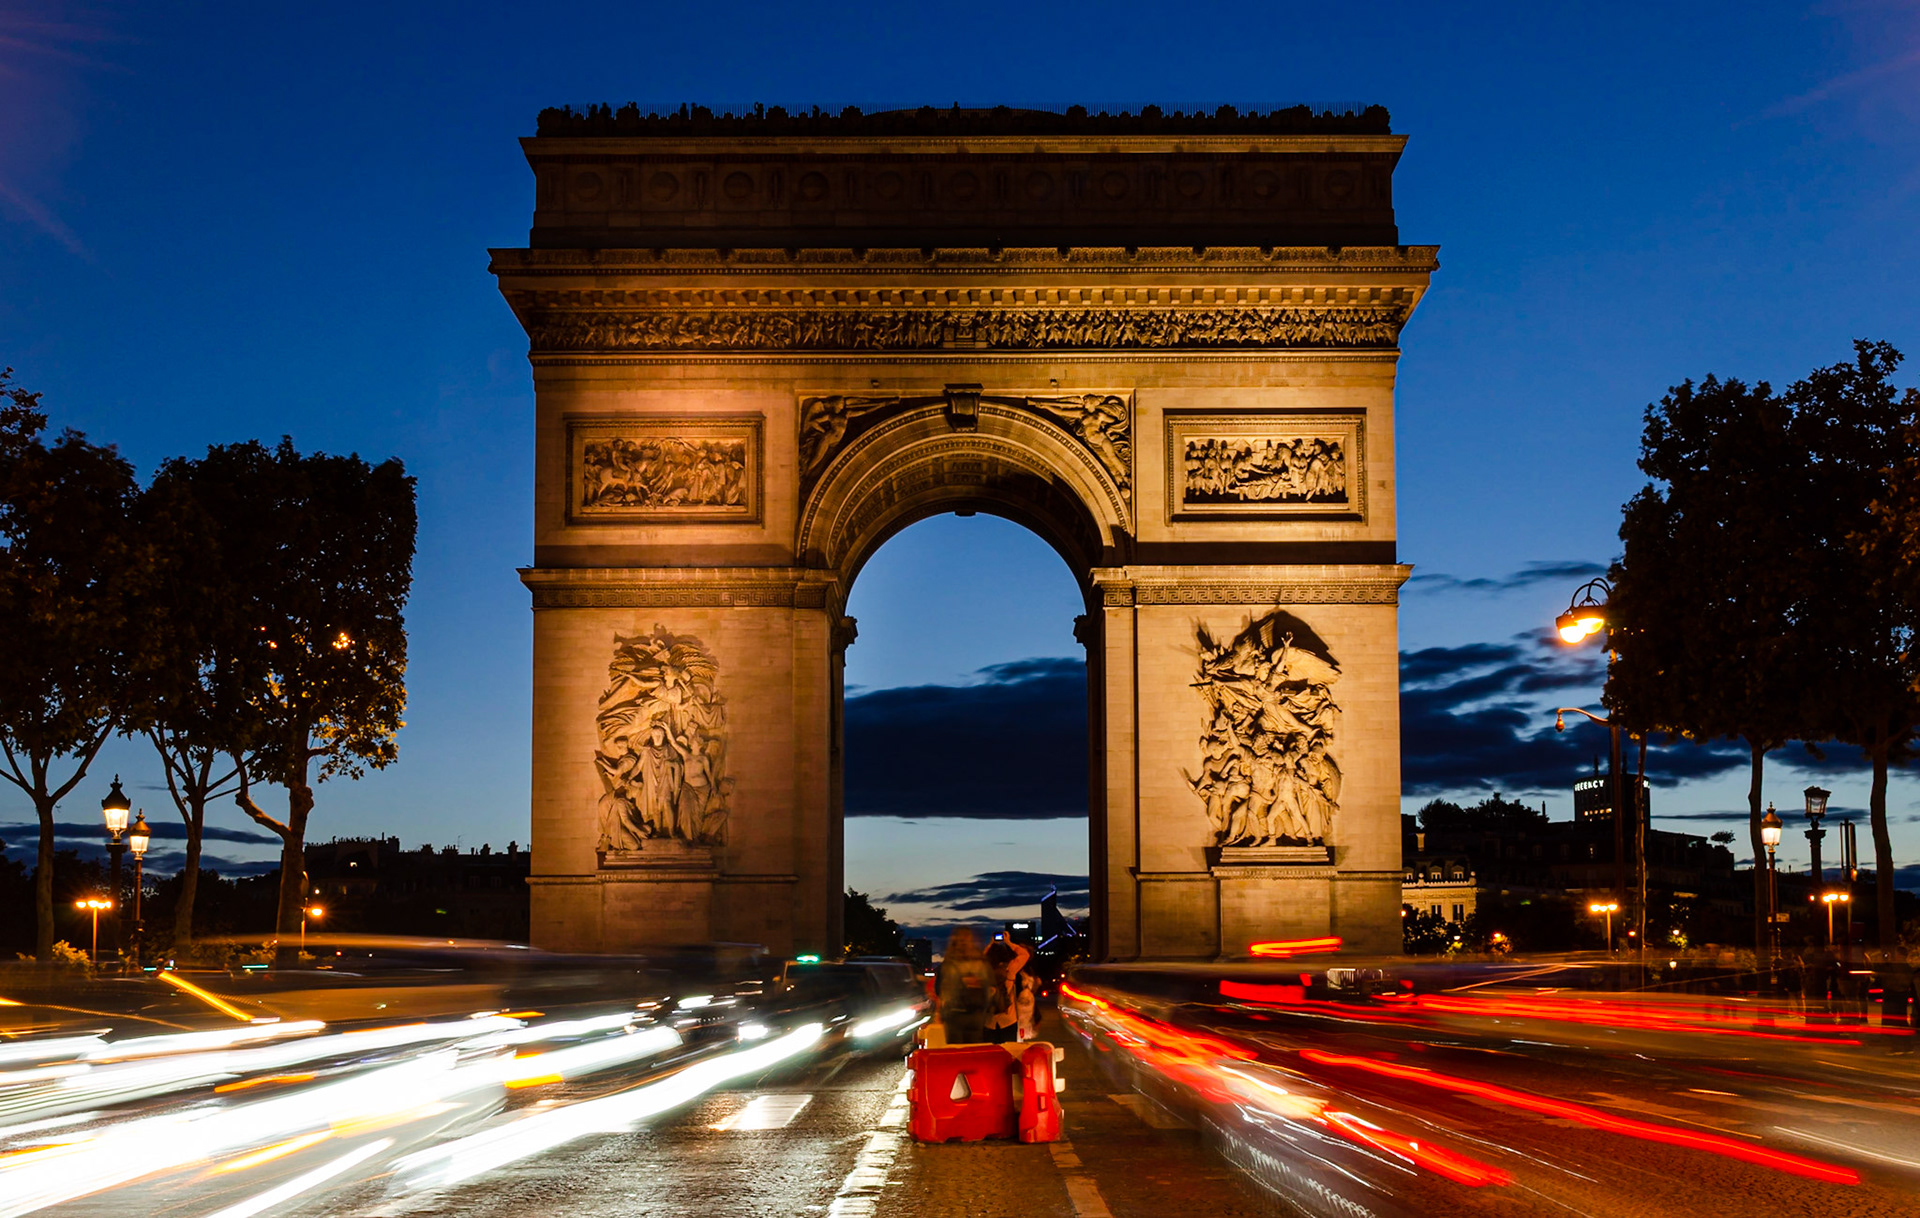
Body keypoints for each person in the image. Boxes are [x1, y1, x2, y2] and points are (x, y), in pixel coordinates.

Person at [936, 928, 995, 1044]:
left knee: (956, 1051)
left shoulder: (949, 962)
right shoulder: (981, 962)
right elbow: (991, 987)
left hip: (954, 1013)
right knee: (973, 1050)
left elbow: (939, 988)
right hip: (976, 1014)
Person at [982, 936, 1032, 1044]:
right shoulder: (1009, 968)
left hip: (988, 1021)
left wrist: (990, 945)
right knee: (1008, 1053)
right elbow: (1025, 954)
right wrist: (1009, 942)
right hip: (1008, 1019)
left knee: (989, 1055)